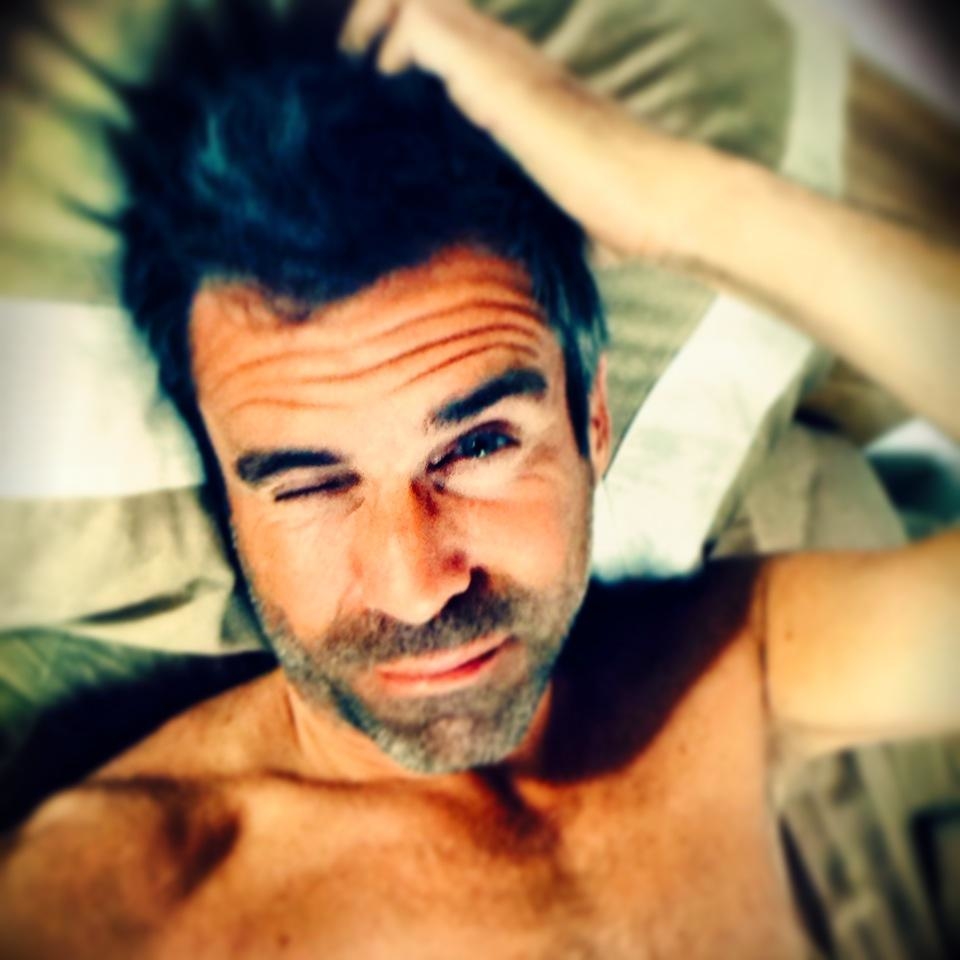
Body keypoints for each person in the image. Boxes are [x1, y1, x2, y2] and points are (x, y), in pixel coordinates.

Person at [2, 1, 958, 957]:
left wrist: (685, 207)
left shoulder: (716, 665)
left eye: (477, 446)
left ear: (592, 422)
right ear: (228, 505)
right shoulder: (123, 901)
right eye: (307, 485)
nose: (417, 588)